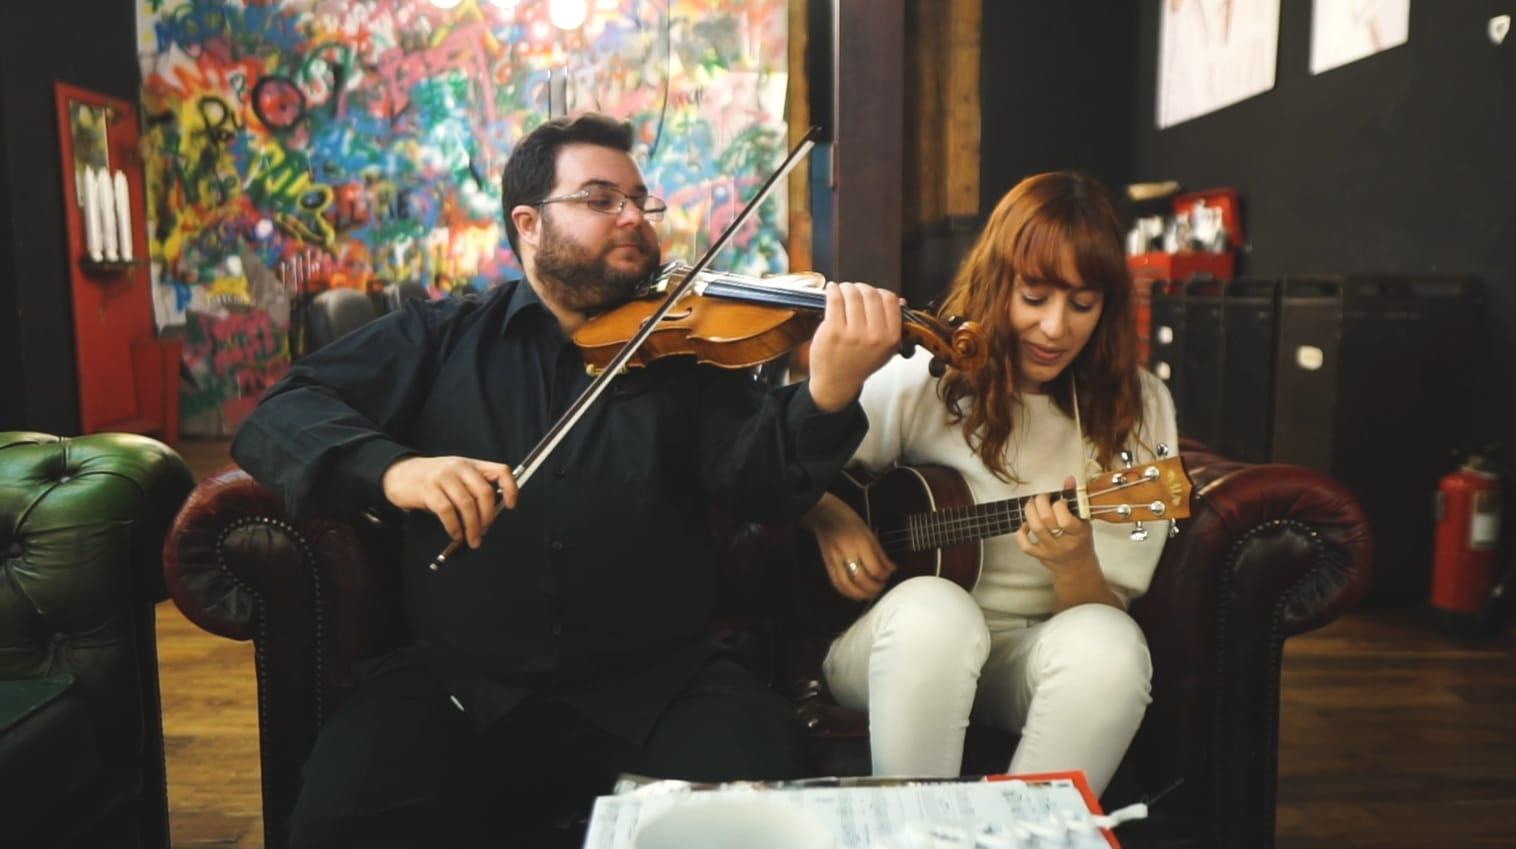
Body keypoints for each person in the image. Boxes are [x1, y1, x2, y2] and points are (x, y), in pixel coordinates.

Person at [232, 112, 904, 849]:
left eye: (640, 200)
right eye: (599, 198)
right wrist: (395, 467)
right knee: (335, 821)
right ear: (528, 222)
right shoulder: (440, 335)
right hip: (461, 685)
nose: (633, 217)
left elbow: (761, 489)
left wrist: (827, 393)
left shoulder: (685, 353)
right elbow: (279, 412)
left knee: (763, 812)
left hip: (659, 687)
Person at [799, 172, 1178, 793]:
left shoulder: (1137, 406)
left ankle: (1030, 835)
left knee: (1112, 644)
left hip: (1023, 656)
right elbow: (788, 467)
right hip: (892, 644)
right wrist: (829, 518)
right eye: (1035, 297)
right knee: (938, 615)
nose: (1056, 328)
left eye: (1082, 305)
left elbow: (1106, 607)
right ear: (997, 283)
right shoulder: (926, 373)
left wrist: (1075, 561)